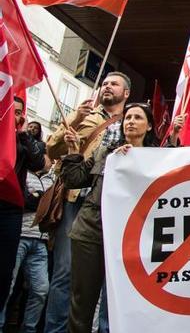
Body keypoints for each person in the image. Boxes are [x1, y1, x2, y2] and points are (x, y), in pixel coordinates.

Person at [60, 103, 159, 333]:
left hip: (132, 240)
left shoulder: (156, 159)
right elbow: (74, 179)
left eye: (137, 117)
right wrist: (74, 151)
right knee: (82, 302)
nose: (130, 121)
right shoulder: (106, 152)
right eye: (127, 118)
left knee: (124, 304)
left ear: (149, 126)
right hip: (91, 232)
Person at [43, 72, 129, 333]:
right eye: (104, 83)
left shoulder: (130, 120)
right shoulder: (85, 117)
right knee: (66, 274)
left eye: (114, 84)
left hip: (108, 207)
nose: (107, 87)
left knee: (109, 279)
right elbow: (52, 149)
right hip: (74, 202)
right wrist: (76, 117)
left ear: (126, 93)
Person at [0, 135, 54, 333]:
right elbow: (25, 202)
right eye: (45, 155)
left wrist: (37, 201)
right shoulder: (21, 173)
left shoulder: (52, 179)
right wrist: (38, 202)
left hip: (41, 242)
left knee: (41, 290)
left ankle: (29, 329)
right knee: (8, 285)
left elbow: (50, 206)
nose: (48, 160)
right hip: (19, 236)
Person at [0, 98, 43, 311]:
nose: (14, 116)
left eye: (19, 113)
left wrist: (25, 134)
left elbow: (38, 162)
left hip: (10, 209)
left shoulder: (22, 142)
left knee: (4, 271)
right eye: (11, 111)